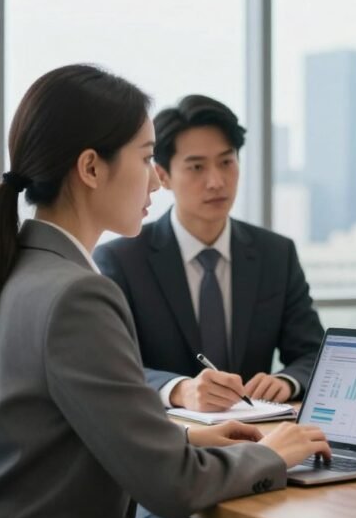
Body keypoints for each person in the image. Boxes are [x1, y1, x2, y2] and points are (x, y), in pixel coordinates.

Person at [0, 65, 330, 518]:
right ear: (90, 168)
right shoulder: (77, 295)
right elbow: (171, 486)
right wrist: (269, 454)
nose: (156, 183)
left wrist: (189, 437)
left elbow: (66, 432)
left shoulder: (8, 268)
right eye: (146, 160)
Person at [94, 95, 323, 414]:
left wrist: (287, 381)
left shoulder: (276, 254)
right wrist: (179, 390)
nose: (216, 182)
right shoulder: (121, 260)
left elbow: (314, 353)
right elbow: (112, 366)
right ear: (163, 176)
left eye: (227, 162)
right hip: (169, 439)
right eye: (197, 167)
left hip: (260, 436)